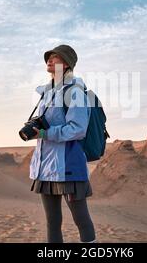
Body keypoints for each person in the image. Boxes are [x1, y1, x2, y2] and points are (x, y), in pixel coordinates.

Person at [28, 44, 96, 243]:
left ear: (66, 64)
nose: (49, 60)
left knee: (81, 220)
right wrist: (37, 130)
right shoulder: (45, 93)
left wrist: (44, 132)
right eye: (48, 57)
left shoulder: (75, 92)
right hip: (45, 166)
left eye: (55, 57)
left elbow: (78, 128)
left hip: (68, 165)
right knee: (52, 221)